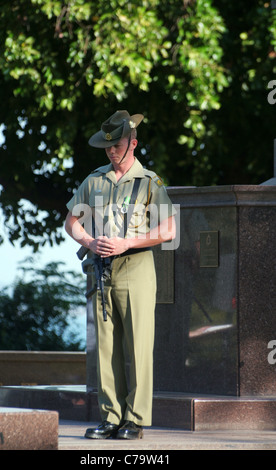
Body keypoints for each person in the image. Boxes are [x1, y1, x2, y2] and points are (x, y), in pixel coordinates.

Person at [65, 110, 176, 440]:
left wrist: (128, 241)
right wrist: (88, 241)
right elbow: (71, 221)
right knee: (106, 348)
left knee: (138, 347)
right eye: (107, 147)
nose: (112, 152)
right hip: (102, 270)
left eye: (118, 146)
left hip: (137, 268)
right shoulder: (94, 181)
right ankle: (110, 417)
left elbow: (169, 229)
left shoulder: (149, 182)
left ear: (133, 144)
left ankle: (135, 419)